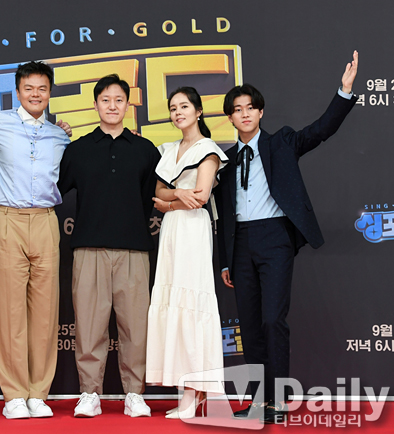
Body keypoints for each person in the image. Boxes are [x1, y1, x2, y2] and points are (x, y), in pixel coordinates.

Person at [214, 51, 359, 424]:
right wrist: (226, 260)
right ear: (230, 118)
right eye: (237, 110)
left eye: (250, 107)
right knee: (249, 326)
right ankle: (257, 402)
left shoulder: (282, 142)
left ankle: (278, 400)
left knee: (272, 320)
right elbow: (223, 217)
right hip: (241, 244)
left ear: (260, 112)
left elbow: (321, 130)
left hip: (275, 238)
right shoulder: (224, 163)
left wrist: (344, 92)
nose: (245, 114)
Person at [58, 74, 161, 418]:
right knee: (89, 327)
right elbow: (56, 188)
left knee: (135, 328)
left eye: (119, 100)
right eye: (106, 100)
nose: (112, 106)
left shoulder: (145, 150)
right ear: (95, 104)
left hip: (134, 249)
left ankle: (134, 393)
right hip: (89, 249)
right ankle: (90, 393)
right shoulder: (78, 149)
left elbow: (150, 198)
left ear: (128, 105)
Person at [0, 61, 71, 419]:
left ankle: (38, 393)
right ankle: (14, 394)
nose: (35, 94)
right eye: (28, 88)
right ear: (17, 92)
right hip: (7, 220)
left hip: (46, 220)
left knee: (45, 312)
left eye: (42, 88)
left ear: (50, 92)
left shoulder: (59, 135)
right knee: (9, 309)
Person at [146, 87, 228, 419]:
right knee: (172, 302)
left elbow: (201, 196)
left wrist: (170, 201)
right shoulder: (169, 150)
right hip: (171, 231)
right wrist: (176, 195)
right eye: (173, 108)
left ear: (198, 111)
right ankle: (186, 391)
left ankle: (195, 392)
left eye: (184, 106)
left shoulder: (208, 150)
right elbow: (157, 191)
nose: (178, 112)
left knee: (192, 302)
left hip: (193, 228)